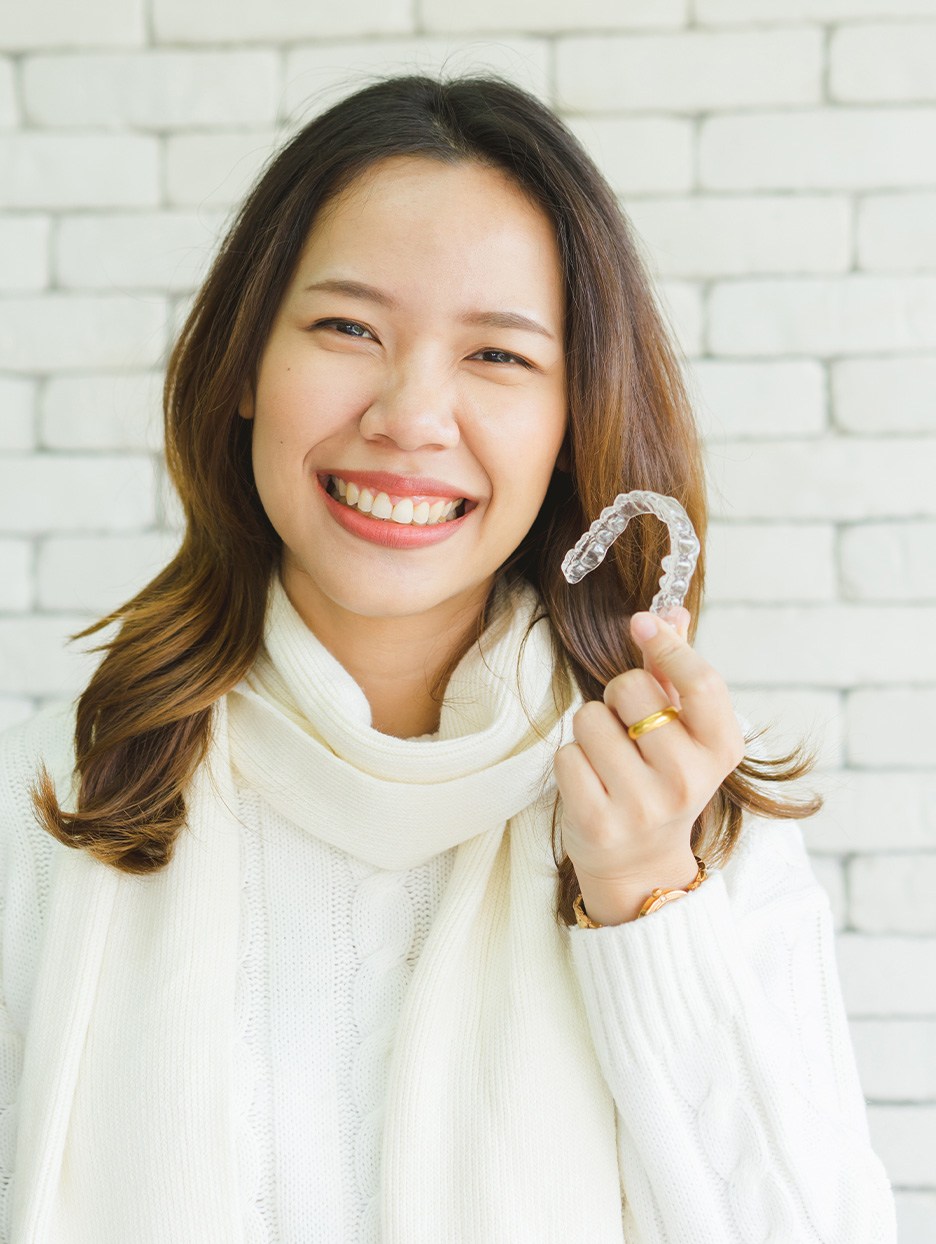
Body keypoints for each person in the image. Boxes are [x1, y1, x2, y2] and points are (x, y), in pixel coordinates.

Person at [0, 73, 896, 1243]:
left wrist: (647, 905)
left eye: (499, 357)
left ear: (575, 419)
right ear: (242, 369)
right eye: (347, 328)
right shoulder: (67, 796)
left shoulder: (692, 820)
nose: (413, 413)